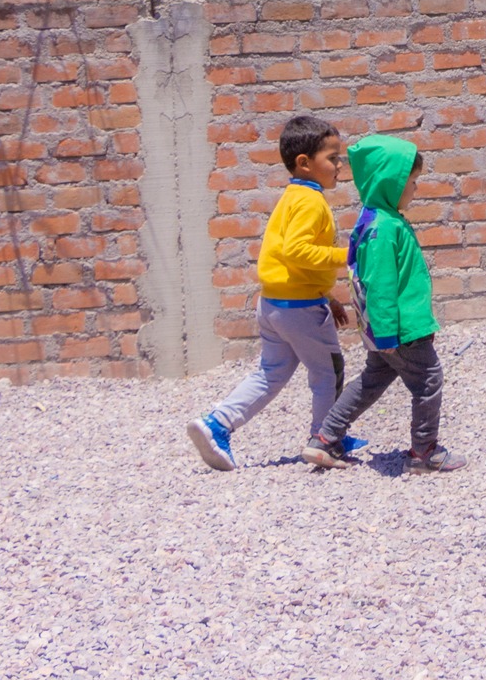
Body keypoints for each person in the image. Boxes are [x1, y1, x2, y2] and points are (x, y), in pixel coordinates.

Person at [187, 116, 359, 472]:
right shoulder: (312, 203)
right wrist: (349, 255)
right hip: (301, 309)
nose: (340, 166)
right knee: (329, 372)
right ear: (304, 163)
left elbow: (286, 254)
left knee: (270, 373)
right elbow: (297, 252)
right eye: (333, 158)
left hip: (274, 304)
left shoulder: (293, 197)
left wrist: (326, 294)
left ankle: (217, 425)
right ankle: (326, 440)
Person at [306, 134, 464, 473]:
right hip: (400, 329)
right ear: (390, 182)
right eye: (412, 181)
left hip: (389, 328)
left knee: (372, 381)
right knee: (429, 380)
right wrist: (389, 335)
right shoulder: (382, 228)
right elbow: (379, 285)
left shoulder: (377, 219)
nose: (416, 188)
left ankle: (325, 438)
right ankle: (424, 452)